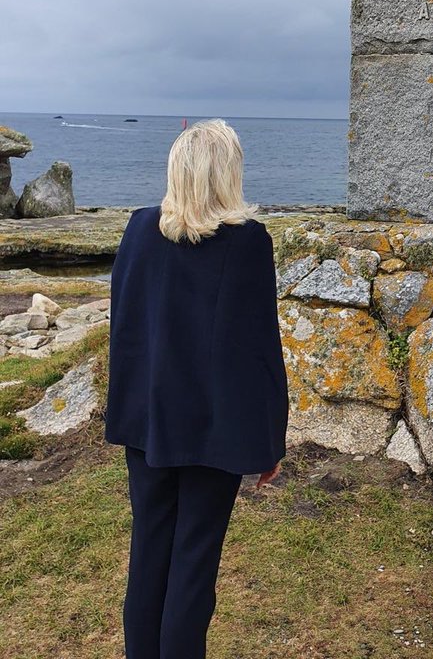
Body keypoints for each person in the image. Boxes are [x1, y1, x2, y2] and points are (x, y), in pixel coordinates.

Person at [105, 119, 289, 658]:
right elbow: (259, 349)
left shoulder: (139, 228)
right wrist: (270, 440)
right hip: (212, 428)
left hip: (148, 418)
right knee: (193, 561)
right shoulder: (248, 242)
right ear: (227, 174)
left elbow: (126, 322)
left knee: (150, 552)